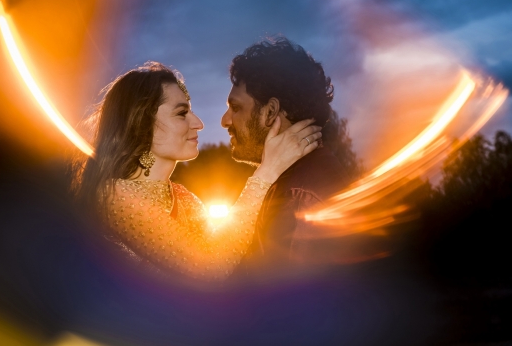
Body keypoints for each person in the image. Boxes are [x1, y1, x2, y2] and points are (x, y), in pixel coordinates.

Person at [72, 62, 322, 281]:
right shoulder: (114, 195)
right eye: (182, 113)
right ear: (141, 123)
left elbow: (229, 262)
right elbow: (210, 268)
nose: (199, 123)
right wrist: (266, 172)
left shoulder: (185, 199)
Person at [221, 37, 354, 276]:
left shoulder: (302, 196)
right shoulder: (292, 181)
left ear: (270, 112)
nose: (225, 121)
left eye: (236, 107)